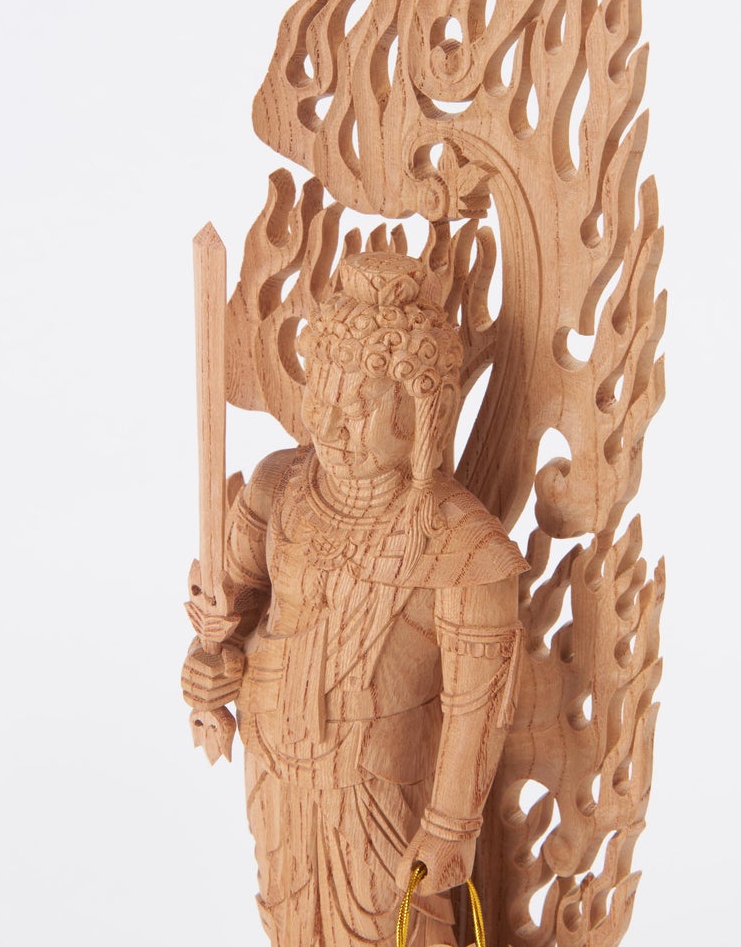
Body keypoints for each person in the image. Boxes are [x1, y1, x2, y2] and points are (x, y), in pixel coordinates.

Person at [182, 252, 526, 947]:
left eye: (361, 405)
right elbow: (233, 612)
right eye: (324, 396)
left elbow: (477, 705)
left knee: (394, 928)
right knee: (289, 921)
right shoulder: (278, 487)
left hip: (382, 786)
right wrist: (210, 664)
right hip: (277, 766)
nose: (333, 427)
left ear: (422, 412)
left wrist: (452, 823)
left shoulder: (462, 545)